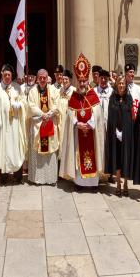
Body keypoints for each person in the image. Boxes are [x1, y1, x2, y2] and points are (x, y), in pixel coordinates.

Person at [59, 54, 105, 188]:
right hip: (77, 133)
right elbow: (69, 113)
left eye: (85, 80)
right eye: (80, 81)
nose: (83, 83)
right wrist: (77, 123)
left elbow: (98, 114)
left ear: (88, 80)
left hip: (91, 132)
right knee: (78, 155)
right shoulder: (73, 96)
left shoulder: (93, 95)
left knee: (92, 154)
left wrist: (89, 124)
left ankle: (93, 183)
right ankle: (79, 182)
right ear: (77, 82)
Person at [0, 64, 26, 185]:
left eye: (9, 75)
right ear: (2, 75)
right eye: (5, 75)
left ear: (12, 76)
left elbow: (24, 101)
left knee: (15, 148)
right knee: (3, 149)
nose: (7, 77)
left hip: (14, 124)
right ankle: (3, 176)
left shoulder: (17, 88)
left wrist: (19, 105)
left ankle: (18, 175)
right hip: (2, 125)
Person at [27, 69, 60, 185]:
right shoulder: (32, 91)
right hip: (37, 124)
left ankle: (50, 179)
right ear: (37, 78)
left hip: (49, 123)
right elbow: (31, 106)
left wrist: (49, 114)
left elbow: (57, 105)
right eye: (40, 77)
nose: (42, 80)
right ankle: (37, 179)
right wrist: (43, 115)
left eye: (44, 77)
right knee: (37, 152)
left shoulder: (54, 90)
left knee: (50, 151)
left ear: (47, 78)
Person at [104, 76, 133, 196]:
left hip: (126, 134)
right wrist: (115, 130)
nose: (121, 85)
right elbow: (111, 117)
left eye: (123, 84)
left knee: (125, 157)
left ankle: (126, 183)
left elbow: (130, 117)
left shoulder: (129, 98)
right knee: (117, 158)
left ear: (126, 86)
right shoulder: (113, 98)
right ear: (116, 85)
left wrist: (125, 131)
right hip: (115, 135)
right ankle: (118, 184)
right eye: (119, 83)